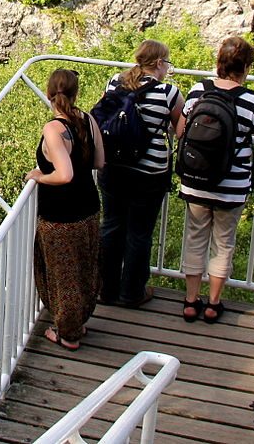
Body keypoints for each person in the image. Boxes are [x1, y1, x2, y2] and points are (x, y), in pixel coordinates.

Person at [178, 36, 254, 324]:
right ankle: (213, 304)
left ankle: (190, 301)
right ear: (245, 67)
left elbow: (181, 131)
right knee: (223, 243)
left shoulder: (199, 90)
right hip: (231, 188)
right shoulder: (251, 100)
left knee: (195, 238)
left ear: (219, 62)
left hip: (195, 181)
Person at [97, 40, 183, 308]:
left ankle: (105, 290)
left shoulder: (115, 82)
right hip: (149, 174)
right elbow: (181, 131)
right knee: (139, 233)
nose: (168, 68)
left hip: (112, 167)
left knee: (111, 227)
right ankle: (132, 292)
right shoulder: (169, 92)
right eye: (167, 63)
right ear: (159, 63)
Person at [25, 68, 105, 350]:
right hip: (89, 208)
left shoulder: (53, 128)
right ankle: (78, 323)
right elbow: (99, 162)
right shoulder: (88, 120)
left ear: (49, 93)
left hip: (60, 213)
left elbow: (64, 174)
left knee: (62, 275)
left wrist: (39, 176)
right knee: (84, 270)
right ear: (75, 93)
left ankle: (67, 334)